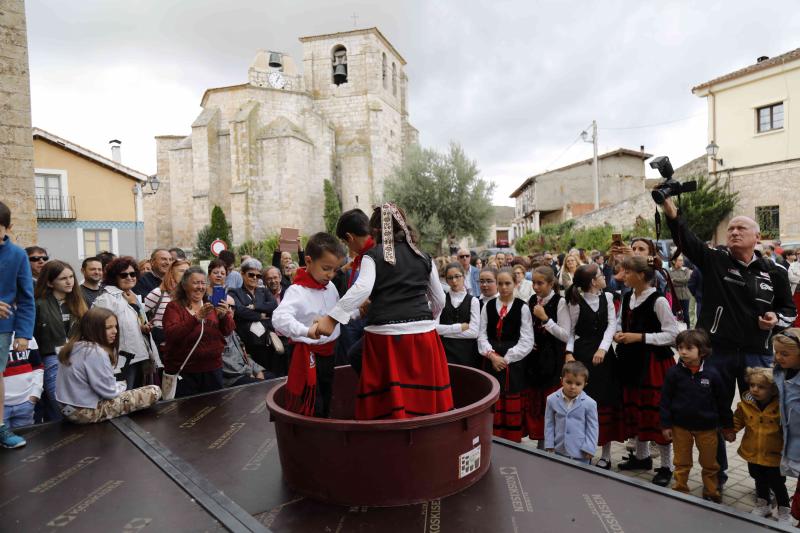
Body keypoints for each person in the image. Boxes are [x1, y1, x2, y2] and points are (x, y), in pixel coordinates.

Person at [661, 196, 796, 486]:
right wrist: (672, 213)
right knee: (714, 415)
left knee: (762, 415)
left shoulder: (775, 271)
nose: (734, 232)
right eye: (731, 228)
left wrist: (775, 318)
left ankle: (764, 484)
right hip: (716, 353)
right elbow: (688, 240)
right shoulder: (715, 260)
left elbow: (789, 311)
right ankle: (717, 477)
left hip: (756, 355)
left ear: (757, 237)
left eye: (741, 228)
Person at [312, 204, 453, 420]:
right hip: (423, 335)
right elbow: (439, 299)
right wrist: (426, 321)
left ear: (376, 230)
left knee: (362, 361)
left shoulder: (373, 256)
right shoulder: (424, 257)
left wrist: (331, 319)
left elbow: (362, 289)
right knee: (419, 389)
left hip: (386, 337)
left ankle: (390, 413)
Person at [614, 255, 680, 486]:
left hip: (653, 363)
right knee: (636, 409)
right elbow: (620, 322)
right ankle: (641, 457)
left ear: (641, 275)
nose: (623, 276)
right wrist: (619, 333)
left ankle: (666, 466)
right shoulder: (628, 296)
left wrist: (640, 337)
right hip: (631, 360)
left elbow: (673, 335)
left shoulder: (658, 300)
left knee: (656, 414)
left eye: (627, 272)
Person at [273, 233, 344, 417]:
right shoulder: (297, 291)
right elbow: (279, 318)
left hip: (329, 352)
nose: (331, 274)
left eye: (335, 270)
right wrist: (306, 331)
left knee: (327, 397)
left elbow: (337, 313)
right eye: (326, 268)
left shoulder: (331, 287)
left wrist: (357, 312)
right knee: (311, 404)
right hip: (307, 355)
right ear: (309, 261)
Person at [660, 329, 731, 503]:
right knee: (681, 462)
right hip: (680, 427)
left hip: (708, 428)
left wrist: (728, 427)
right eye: (680, 347)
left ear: (703, 351)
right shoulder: (673, 373)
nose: (683, 352)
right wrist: (665, 425)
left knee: (710, 463)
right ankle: (680, 488)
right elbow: (665, 401)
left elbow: (723, 403)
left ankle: (711, 491)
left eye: (689, 348)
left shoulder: (713, 374)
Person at [55, 307, 161, 423]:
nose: (115, 331)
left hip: (67, 410)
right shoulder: (95, 352)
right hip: (85, 412)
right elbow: (109, 392)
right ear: (93, 329)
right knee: (154, 390)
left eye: (115, 326)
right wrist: (122, 386)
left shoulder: (74, 346)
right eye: (108, 327)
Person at [565, 263, 623, 469]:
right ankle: (583, 451)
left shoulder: (607, 297)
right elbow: (571, 331)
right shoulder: (575, 302)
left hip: (604, 357)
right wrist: (569, 352)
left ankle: (606, 455)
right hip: (583, 355)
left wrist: (603, 349)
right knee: (582, 404)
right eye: (600, 275)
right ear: (592, 281)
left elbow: (611, 326)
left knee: (606, 403)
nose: (604, 277)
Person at [478, 267, 534, 442]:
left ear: (515, 283)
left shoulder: (522, 307)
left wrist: (506, 359)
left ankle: (512, 440)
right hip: (491, 360)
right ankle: (493, 440)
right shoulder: (488, 306)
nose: (503, 287)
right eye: (500, 283)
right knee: (493, 398)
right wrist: (492, 355)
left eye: (507, 283)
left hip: (514, 363)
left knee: (511, 400)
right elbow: (482, 335)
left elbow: (527, 339)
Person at [728, 367, 790, 523]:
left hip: (774, 455)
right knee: (759, 479)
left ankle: (784, 510)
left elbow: (789, 427)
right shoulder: (746, 404)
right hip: (753, 452)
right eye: (752, 385)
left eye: (761, 387)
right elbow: (738, 419)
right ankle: (763, 504)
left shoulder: (781, 406)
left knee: (777, 483)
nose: (755, 389)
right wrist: (731, 431)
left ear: (773, 390)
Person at [162, 267, 234, 397]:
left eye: (203, 283)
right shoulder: (174, 307)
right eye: (195, 283)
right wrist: (196, 318)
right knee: (186, 409)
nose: (200, 287)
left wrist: (224, 316)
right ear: (184, 285)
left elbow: (228, 331)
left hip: (213, 369)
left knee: (214, 407)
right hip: (185, 371)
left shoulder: (211, 305)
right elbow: (171, 335)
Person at [94, 257, 160, 389]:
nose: (129, 277)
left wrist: (142, 327)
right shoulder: (106, 299)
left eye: (132, 274)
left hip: (139, 356)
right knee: (124, 397)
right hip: (120, 360)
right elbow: (99, 331)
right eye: (124, 275)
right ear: (114, 277)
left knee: (137, 396)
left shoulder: (132, 295)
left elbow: (130, 322)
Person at [0, 201, 35, 448]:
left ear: (8, 228)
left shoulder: (17, 255)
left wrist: (23, 333)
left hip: (2, 329)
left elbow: (26, 298)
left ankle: (0, 427)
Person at [34, 260, 88, 421]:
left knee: (77, 405)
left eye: (71, 277)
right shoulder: (39, 305)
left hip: (79, 359)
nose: (69, 281)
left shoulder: (79, 303)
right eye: (63, 278)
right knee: (60, 406)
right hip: (51, 359)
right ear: (50, 283)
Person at [525, 265, 570, 446]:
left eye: (540, 283)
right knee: (537, 402)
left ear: (551, 284)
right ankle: (541, 440)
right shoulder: (531, 300)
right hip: (535, 360)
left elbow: (565, 335)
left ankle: (554, 443)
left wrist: (545, 319)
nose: (536, 287)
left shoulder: (559, 302)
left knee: (551, 401)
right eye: (534, 283)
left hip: (553, 359)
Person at [229, 258, 282, 376]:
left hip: (267, 342)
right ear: (242, 274)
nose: (255, 278)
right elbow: (239, 311)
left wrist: (253, 307)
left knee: (271, 375)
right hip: (248, 343)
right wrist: (260, 315)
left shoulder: (264, 291)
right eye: (251, 274)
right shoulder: (234, 292)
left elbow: (273, 305)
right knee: (255, 377)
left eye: (258, 276)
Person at [544, 361, 598, 464]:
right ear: (562, 380)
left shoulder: (590, 403)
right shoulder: (551, 399)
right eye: (569, 382)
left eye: (578, 384)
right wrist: (549, 444)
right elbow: (549, 423)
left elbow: (592, 427)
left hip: (581, 452)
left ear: (584, 384)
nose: (573, 387)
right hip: (559, 449)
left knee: (580, 474)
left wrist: (590, 447)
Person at [772, 329, 800, 522]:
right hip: (788, 434)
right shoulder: (779, 371)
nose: (778, 357)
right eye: (776, 352)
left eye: (785, 353)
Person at [436, 263, 480, 368]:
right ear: (446, 280)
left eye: (457, 276)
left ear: (463, 277)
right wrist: (459, 328)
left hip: (467, 353)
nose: (454, 281)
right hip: (445, 352)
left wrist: (444, 332)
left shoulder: (473, 301)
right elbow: (435, 328)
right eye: (450, 278)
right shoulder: (441, 300)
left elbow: (474, 332)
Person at [143, 259, 190, 349]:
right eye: (181, 271)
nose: (186, 274)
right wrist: (144, 325)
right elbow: (138, 312)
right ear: (171, 273)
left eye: (188, 271)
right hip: (162, 344)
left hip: (184, 343)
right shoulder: (159, 292)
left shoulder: (190, 295)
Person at [3, 336, 42, 429]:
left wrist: (35, 394)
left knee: (26, 437)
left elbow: (37, 367)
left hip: (26, 403)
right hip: (2, 406)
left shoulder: (28, 338)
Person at [669, 255, 692, 329]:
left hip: (685, 296)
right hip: (675, 296)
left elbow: (687, 280)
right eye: (680, 260)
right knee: (675, 314)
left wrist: (674, 280)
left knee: (686, 314)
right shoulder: (670, 271)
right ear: (674, 261)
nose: (682, 262)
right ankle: (676, 329)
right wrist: (682, 281)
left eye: (682, 260)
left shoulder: (686, 269)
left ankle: (688, 329)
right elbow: (670, 283)